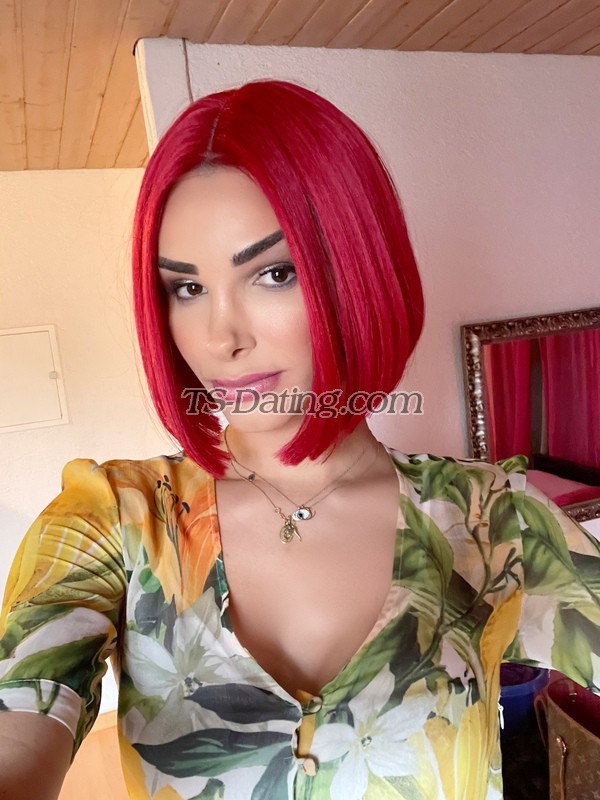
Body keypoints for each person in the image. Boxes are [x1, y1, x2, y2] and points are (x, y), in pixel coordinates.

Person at [0, 79, 599, 800]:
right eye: (187, 288)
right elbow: (17, 734)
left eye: (274, 274)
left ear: (358, 271)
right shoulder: (118, 519)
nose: (221, 337)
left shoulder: (490, 519)